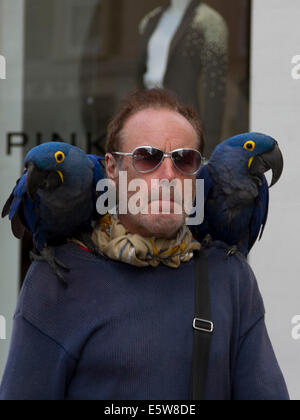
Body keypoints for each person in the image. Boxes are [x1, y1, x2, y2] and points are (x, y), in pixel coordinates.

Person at [0, 89, 289, 400]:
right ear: (112, 169)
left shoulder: (230, 278)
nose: (167, 175)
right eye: (147, 157)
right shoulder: (56, 281)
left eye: (185, 160)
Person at [137, 0, 228, 157]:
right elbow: (141, 70)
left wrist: (209, 145)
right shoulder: (150, 20)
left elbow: (215, 89)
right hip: (148, 109)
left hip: (182, 114)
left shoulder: (209, 22)